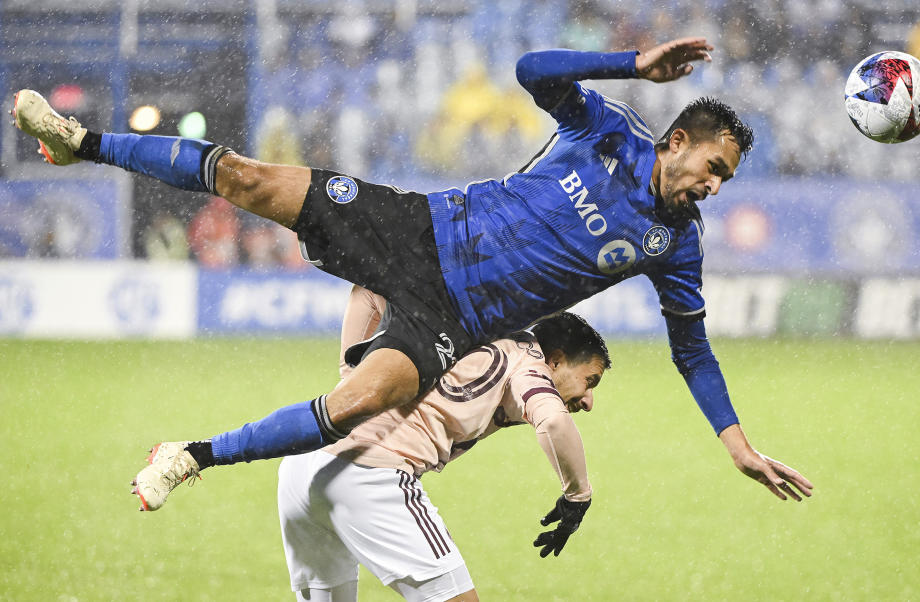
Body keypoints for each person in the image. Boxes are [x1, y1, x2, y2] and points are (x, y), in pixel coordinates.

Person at [13, 38, 813, 505]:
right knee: (249, 179)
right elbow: (534, 68)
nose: (712, 185)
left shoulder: (676, 243)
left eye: (725, 180)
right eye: (711, 165)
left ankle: (190, 453)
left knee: (365, 401)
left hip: (454, 321)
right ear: (677, 142)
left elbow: (693, 349)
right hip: (419, 226)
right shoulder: (606, 131)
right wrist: (631, 64)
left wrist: (736, 445)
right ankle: (80, 143)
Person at [141, 287, 610, 601]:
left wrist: (353, 374)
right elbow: (551, 420)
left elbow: (369, 289)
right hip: (372, 478)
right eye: (588, 381)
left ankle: (194, 454)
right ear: (559, 358)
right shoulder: (528, 361)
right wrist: (577, 495)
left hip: (304, 469)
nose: (587, 400)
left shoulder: (480, 325)